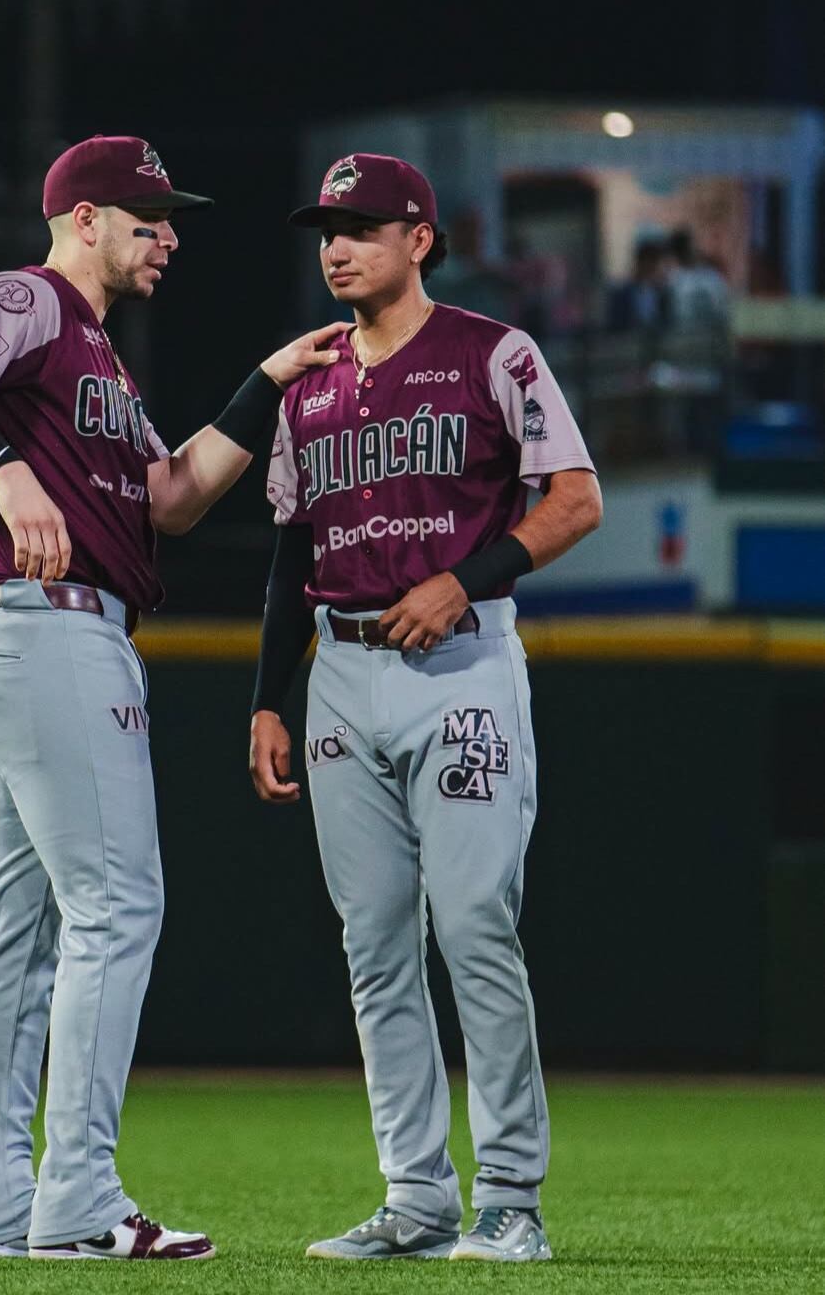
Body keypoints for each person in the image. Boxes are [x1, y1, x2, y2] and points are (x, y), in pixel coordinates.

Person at [0, 134, 345, 1262]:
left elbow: (172, 497)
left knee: (23, 926)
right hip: (46, 630)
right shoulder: (30, 299)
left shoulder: (99, 357)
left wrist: (265, 384)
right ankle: (79, 1196)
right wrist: (3, 463)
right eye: (148, 216)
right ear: (82, 218)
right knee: (117, 907)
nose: (169, 234)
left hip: (33, 636)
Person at [248, 154, 602, 1263]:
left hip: (462, 661)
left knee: (477, 921)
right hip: (341, 670)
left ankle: (511, 1196)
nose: (336, 244)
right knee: (374, 945)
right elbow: (289, 554)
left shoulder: (494, 352)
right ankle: (416, 1195)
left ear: (420, 238)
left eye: (360, 225)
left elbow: (578, 499)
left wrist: (474, 573)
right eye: (326, 227)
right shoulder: (306, 384)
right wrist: (269, 697)